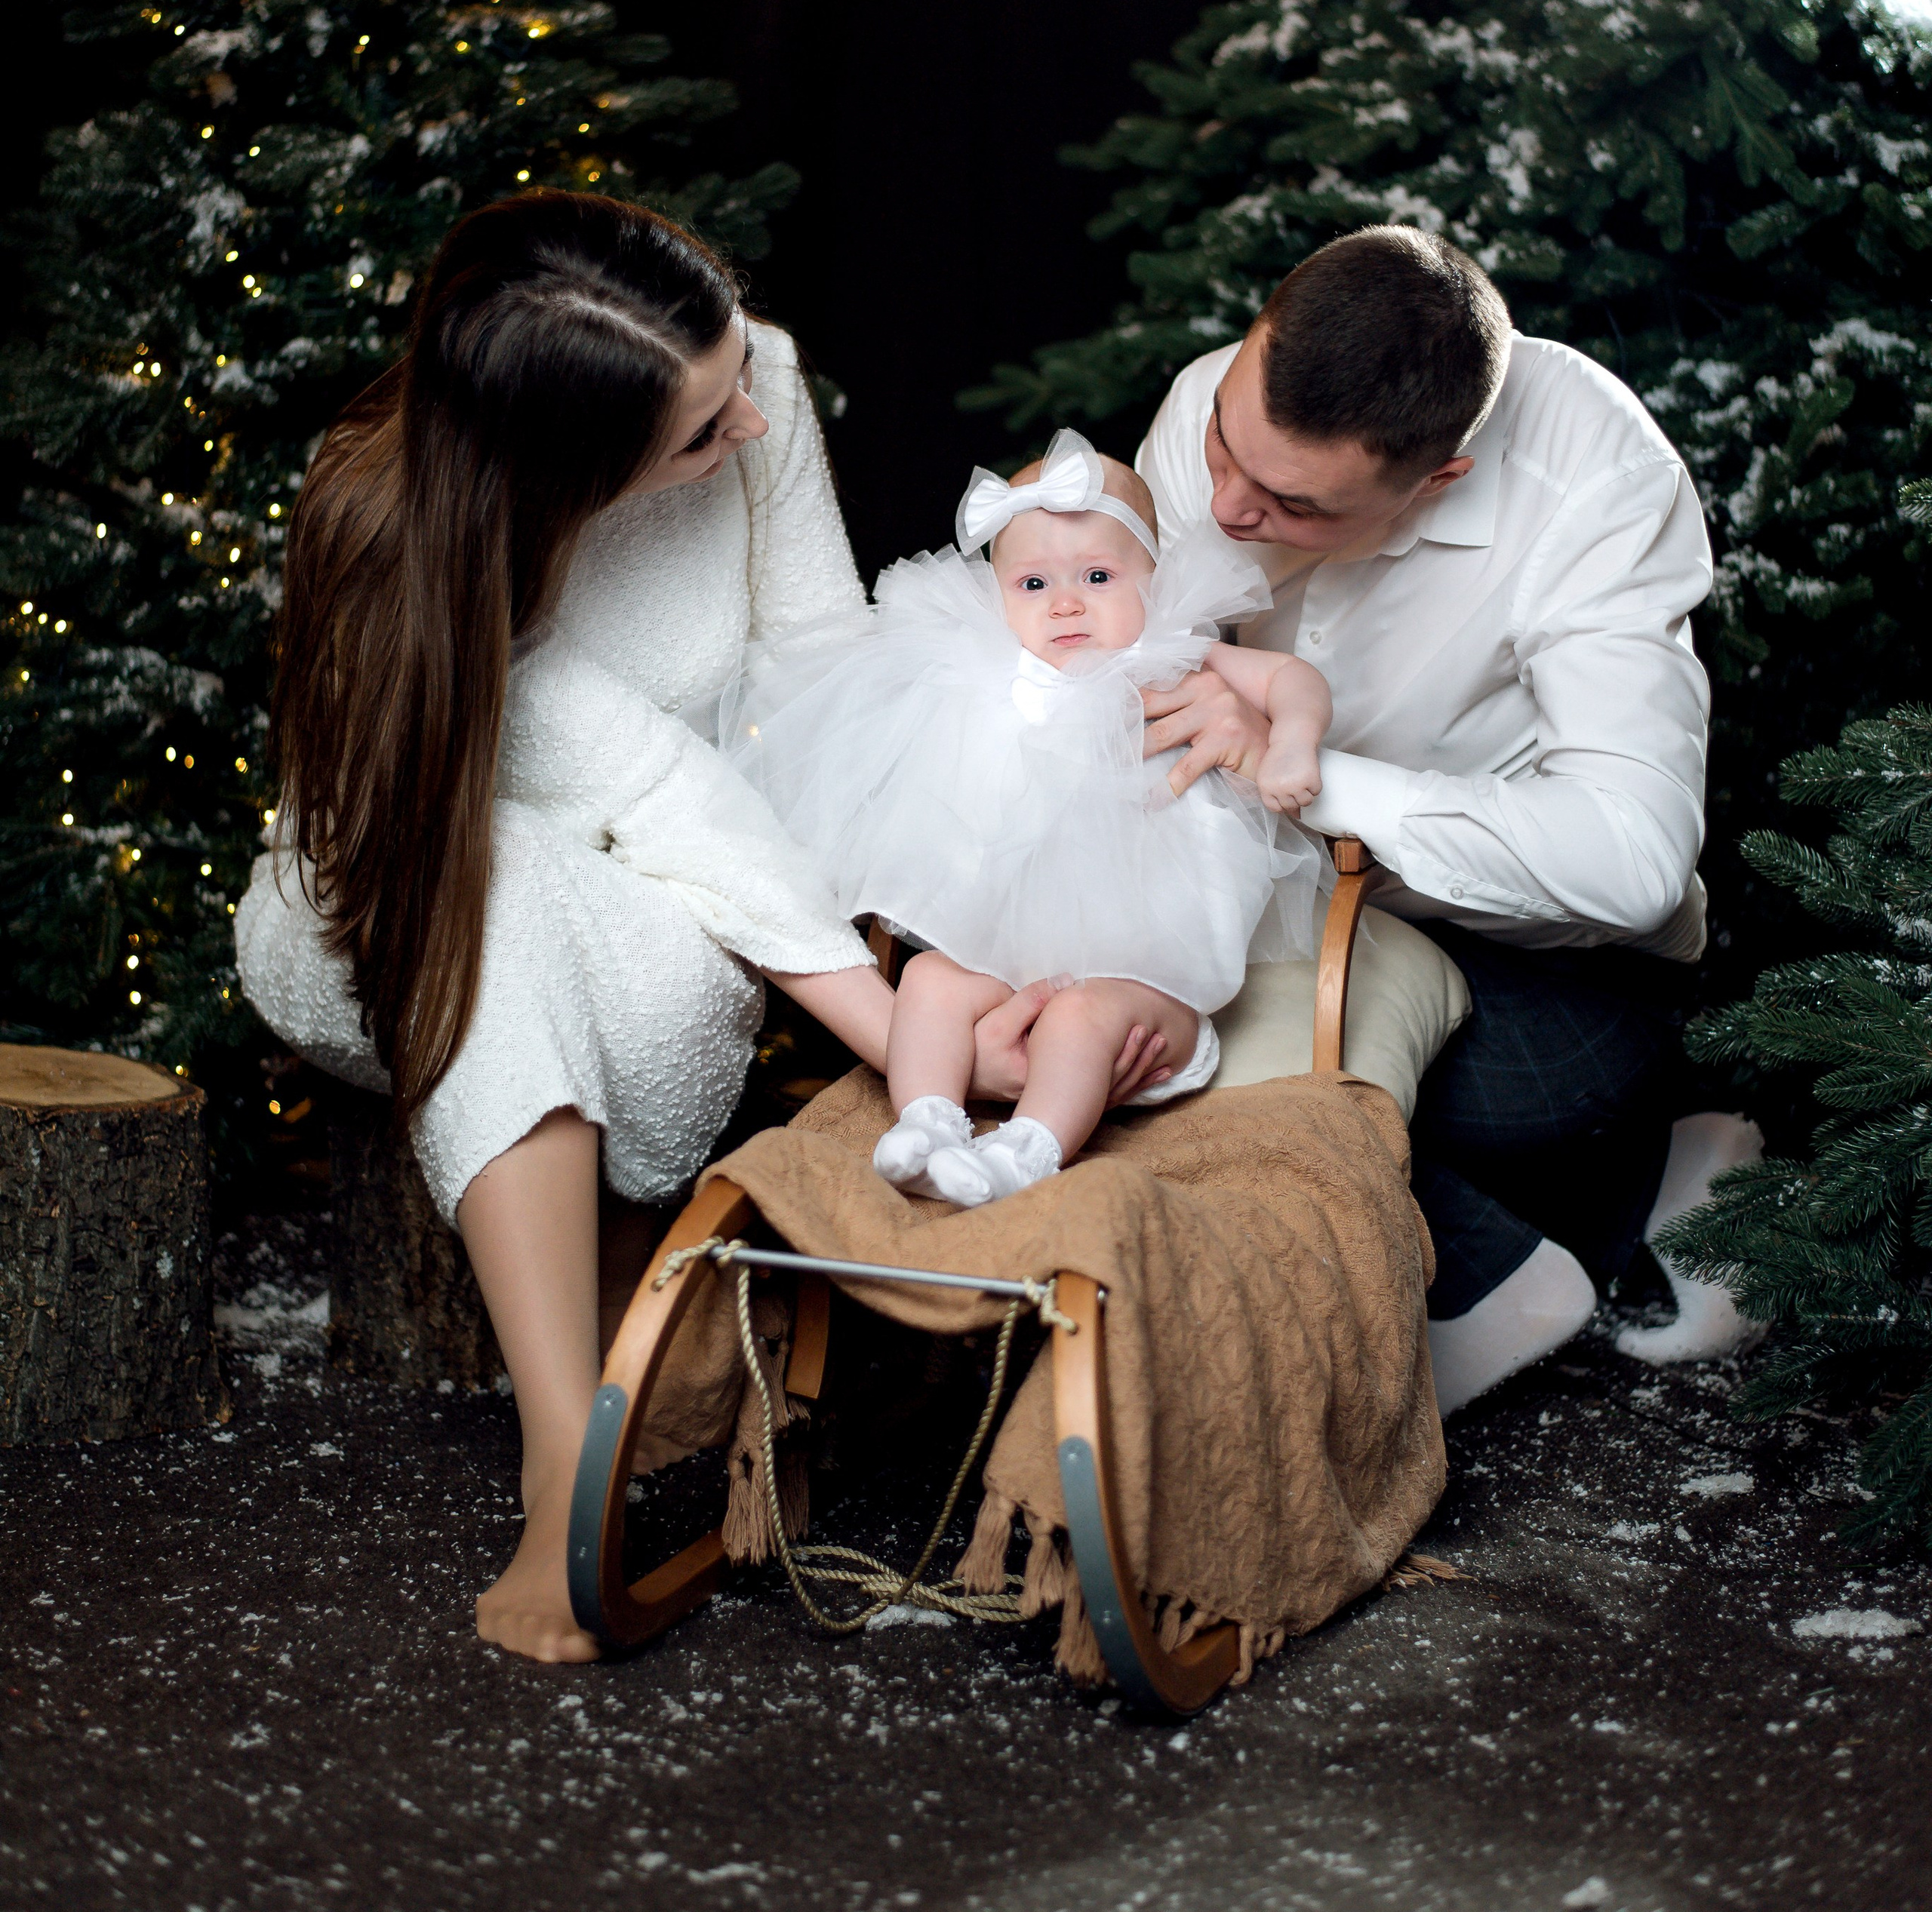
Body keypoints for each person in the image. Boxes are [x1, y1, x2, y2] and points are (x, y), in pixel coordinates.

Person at [235, 195, 1161, 1667]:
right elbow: (656, 786)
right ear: (564, 480)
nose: (745, 423)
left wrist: (944, 934)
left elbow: (818, 675)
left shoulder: (756, 381)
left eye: (737, 377)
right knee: (508, 872)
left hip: (675, 906)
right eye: (697, 433)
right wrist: (891, 1025)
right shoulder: (403, 533)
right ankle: (564, 1458)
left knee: (571, 886)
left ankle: (577, 1430)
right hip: (396, 909)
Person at [1131, 225, 1763, 1415]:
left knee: (1406, 1088)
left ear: (1437, 480)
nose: (1224, 505)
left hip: (1542, 969)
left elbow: (1632, 861)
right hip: (1280, 905)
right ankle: (1604, 1207)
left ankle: (1554, 1213)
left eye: (1293, 505)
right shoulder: (1221, 409)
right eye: (1224, 444)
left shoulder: (1594, 476)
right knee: (1142, 1033)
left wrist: (1306, 773)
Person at [726, 432, 1331, 1204]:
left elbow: (1293, 678)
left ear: (1156, 579)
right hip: (1011, 966)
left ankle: (1027, 1152)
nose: (1066, 604)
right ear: (1000, 596)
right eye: (1034, 584)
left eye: (1100, 576)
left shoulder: (1175, 660)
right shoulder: (992, 676)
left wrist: (1293, 746)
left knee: (1082, 1013)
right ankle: (927, 1122)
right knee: (933, 979)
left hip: (1143, 990)